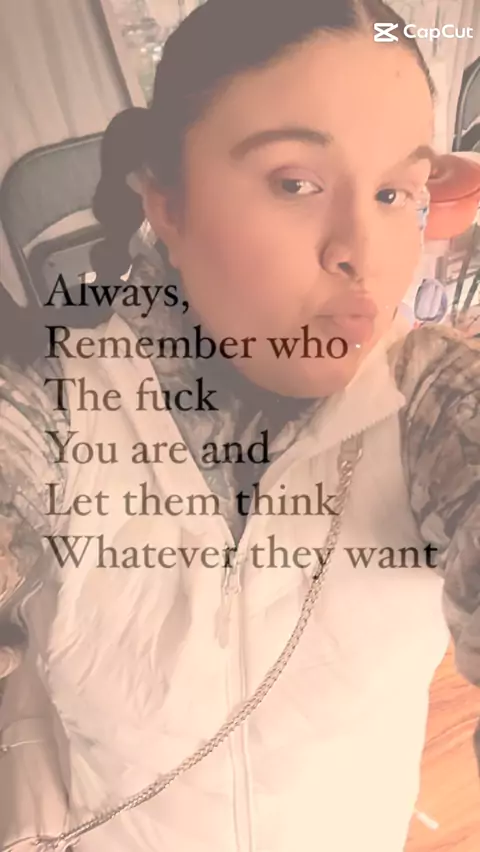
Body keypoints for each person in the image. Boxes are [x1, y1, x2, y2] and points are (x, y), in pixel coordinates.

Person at [0, 1, 479, 850]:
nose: (361, 250)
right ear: (169, 205)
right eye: (296, 184)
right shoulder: (50, 408)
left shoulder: (433, 404)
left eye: (392, 193)